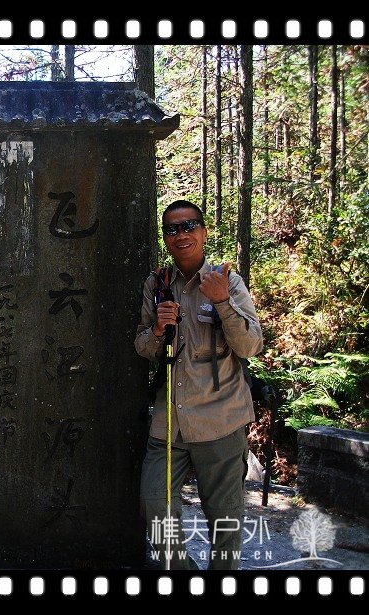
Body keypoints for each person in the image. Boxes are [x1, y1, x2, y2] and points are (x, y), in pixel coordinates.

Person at [135, 199, 263, 570]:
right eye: (172, 229)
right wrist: (158, 329)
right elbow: (142, 346)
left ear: (204, 232)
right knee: (155, 506)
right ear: (165, 238)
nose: (181, 234)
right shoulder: (157, 284)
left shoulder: (227, 281)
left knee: (225, 521)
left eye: (189, 225)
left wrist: (222, 302)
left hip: (220, 419)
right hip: (169, 423)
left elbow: (250, 346)